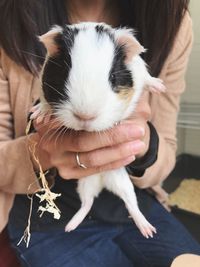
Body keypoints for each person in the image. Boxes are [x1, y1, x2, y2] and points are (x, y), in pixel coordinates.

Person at [0, 0, 199, 266]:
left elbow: (166, 152)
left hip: (130, 198)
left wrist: (143, 143)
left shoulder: (171, 24)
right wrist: (40, 151)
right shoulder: (11, 22)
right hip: (42, 212)